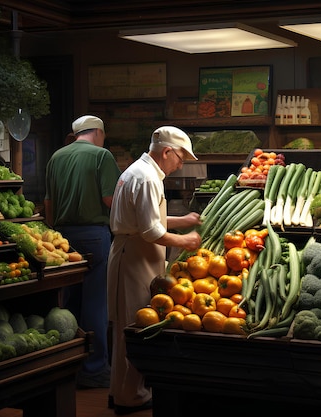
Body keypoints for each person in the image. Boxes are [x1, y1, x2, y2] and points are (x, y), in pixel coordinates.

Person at [107, 126, 202, 415]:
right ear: (167, 151)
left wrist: (182, 219)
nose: (181, 163)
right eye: (181, 157)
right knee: (136, 327)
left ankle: (121, 391)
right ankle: (130, 397)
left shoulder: (139, 171)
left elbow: (149, 220)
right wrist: (186, 240)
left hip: (133, 253)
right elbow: (150, 232)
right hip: (135, 257)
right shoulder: (148, 178)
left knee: (127, 325)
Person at [44, 115, 122, 388]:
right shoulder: (102, 156)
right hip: (94, 236)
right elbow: (110, 199)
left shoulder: (56, 158)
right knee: (96, 304)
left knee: (69, 304)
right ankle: (95, 370)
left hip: (62, 239)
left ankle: (68, 366)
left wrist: (57, 234)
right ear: (98, 133)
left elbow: (49, 205)